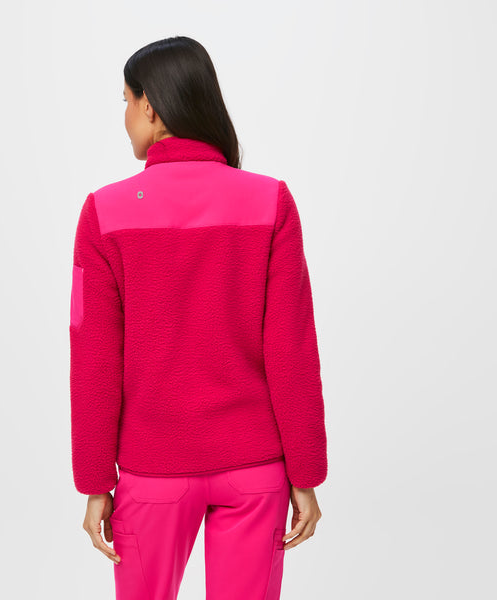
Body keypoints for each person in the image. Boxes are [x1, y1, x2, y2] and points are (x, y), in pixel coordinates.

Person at [69, 36, 328, 600]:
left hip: (152, 472)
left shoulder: (104, 213)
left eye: (125, 101)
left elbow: (94, 360)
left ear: (150, 106)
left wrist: (95, 482)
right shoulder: (271, 202)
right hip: (255, 468)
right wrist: (305, 473)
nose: (125, 116)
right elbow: (292, 348)